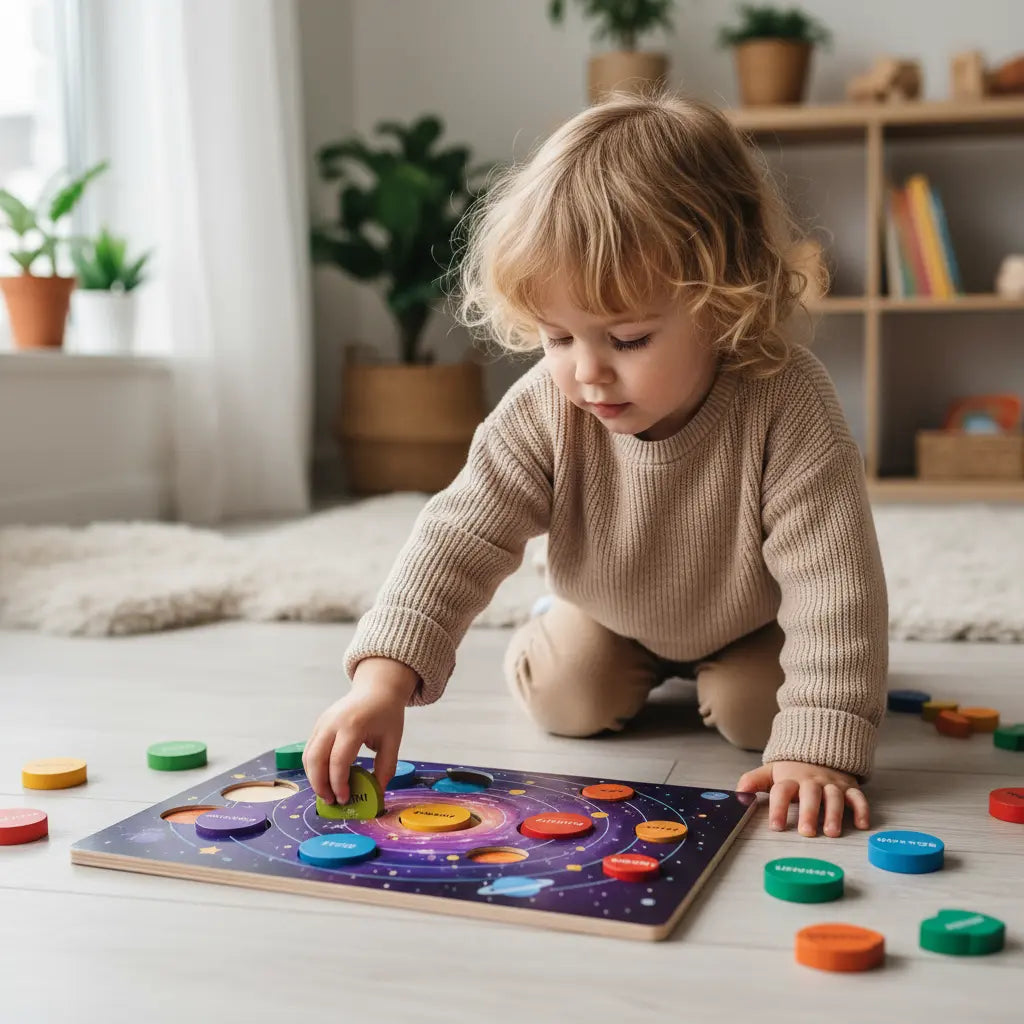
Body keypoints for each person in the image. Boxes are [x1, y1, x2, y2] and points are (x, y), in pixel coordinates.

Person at [303, 91, 888, 840]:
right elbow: (458, 536)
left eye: (629, 339)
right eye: (558, 337)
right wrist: (381, 681)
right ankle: (553, 622)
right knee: (569, 698)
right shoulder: (546, 408)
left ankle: (756, 688)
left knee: (759, 717)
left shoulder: (789, 402)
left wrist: (821, 744)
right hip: (608, 614)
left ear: (723, 304)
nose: (587, 374)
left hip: (747, 624)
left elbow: (836, 586)